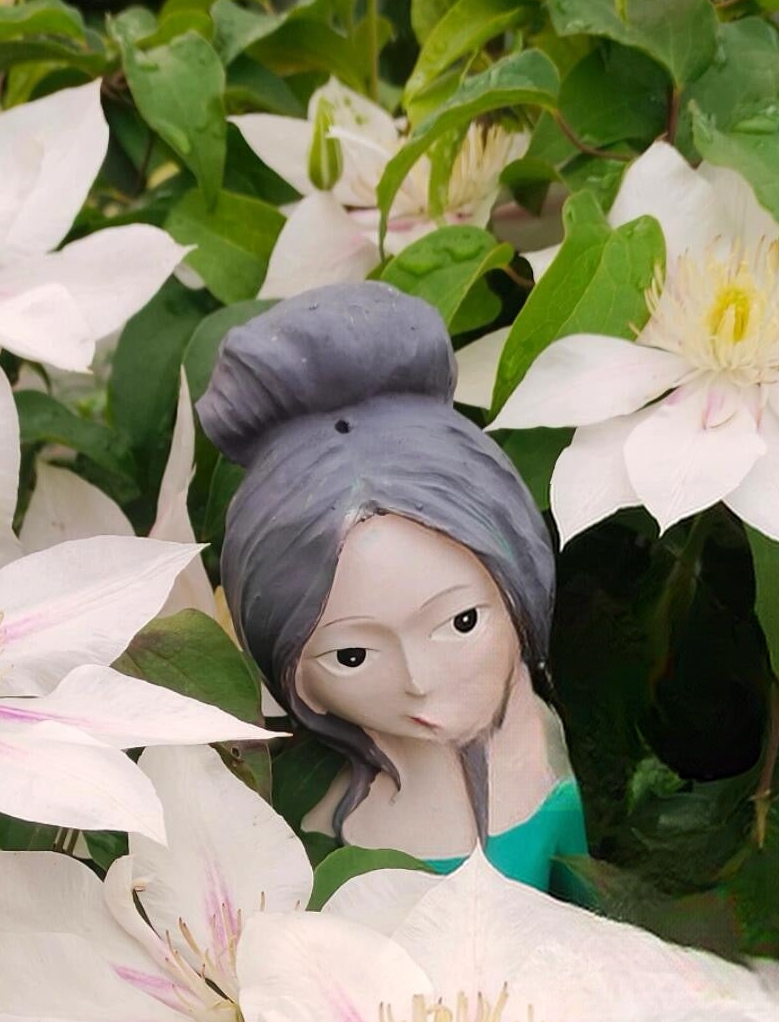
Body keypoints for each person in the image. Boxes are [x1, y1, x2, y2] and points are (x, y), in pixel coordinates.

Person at [199, 283, 586, 890]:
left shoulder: (541, 746)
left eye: (462, 622)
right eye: (352, 655)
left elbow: (584, 904)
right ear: (296, 679)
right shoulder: (317, 817)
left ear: (520, 589)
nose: (419, 680)